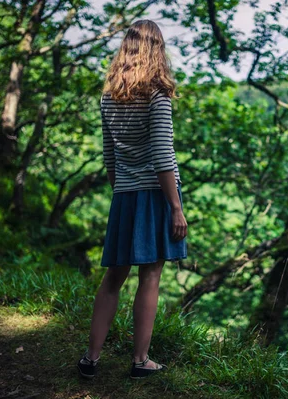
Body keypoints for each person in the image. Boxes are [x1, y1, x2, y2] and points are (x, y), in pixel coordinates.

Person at [76, 19, 188, 380]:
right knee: (150, 275)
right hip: (156, 194)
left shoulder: (109, 96)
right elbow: (162, 156)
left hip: (123, 194)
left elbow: (109, 156)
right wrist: (175, 207)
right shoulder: (157, 96)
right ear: (158, 50)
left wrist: (120, 189)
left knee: (113, 277)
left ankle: (90, 359)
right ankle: (140, 361)